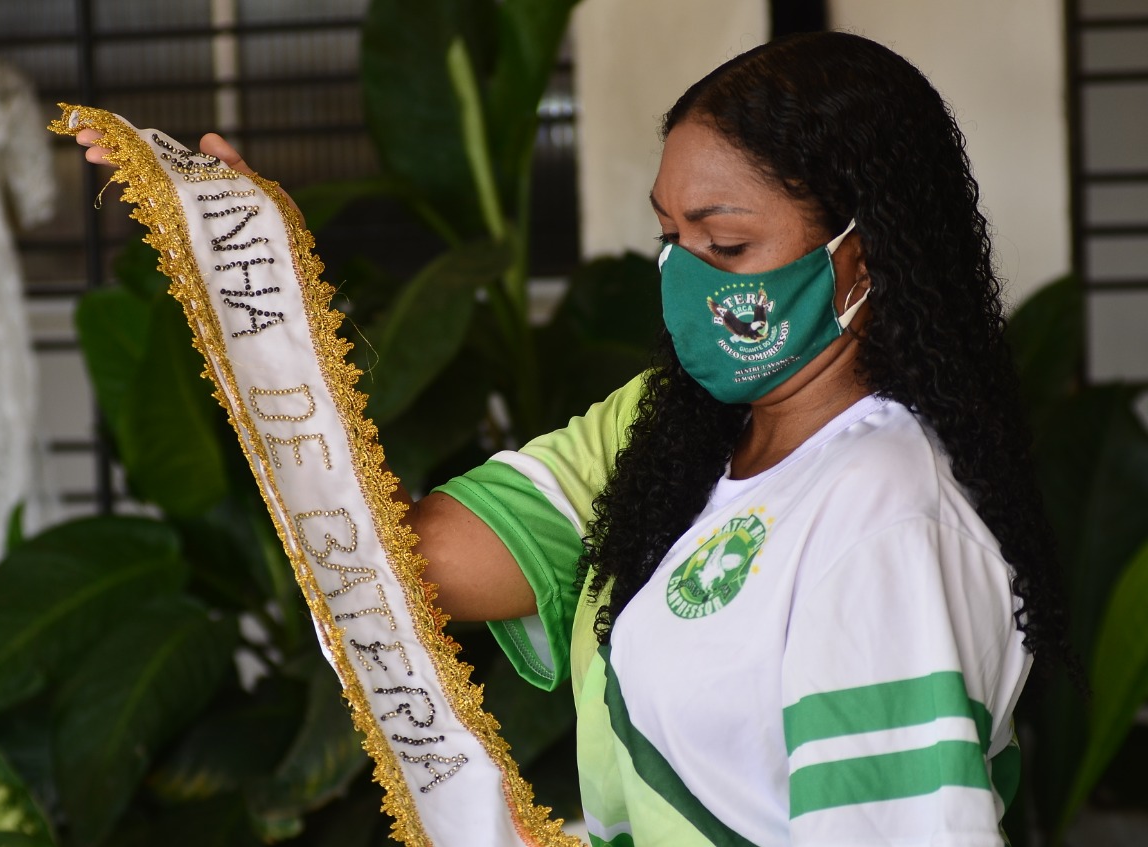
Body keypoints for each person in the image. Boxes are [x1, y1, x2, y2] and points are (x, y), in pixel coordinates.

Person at [79, 30, 1065, 847]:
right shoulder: (663, 425)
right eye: (670, 238)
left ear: (862, 255)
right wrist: (259, 305)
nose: (686, 275)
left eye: (726, 246)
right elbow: (393, 570)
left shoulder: (885, 511)